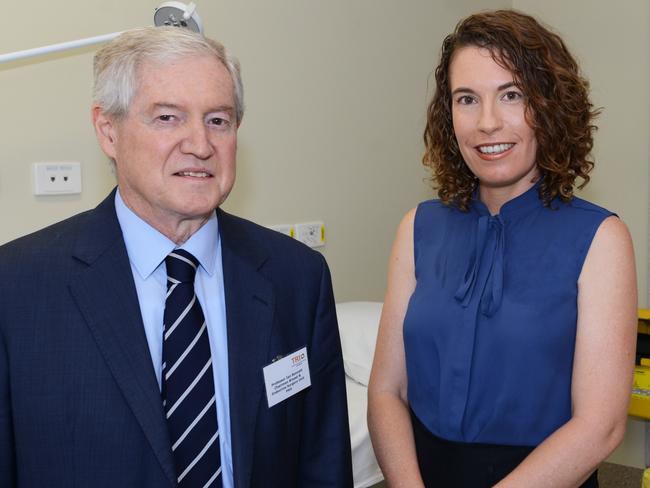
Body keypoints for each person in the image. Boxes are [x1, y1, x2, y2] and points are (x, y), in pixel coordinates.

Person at [0, 26, 352, 487]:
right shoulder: (18, 287)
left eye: (218, 120)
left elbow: (322, 463)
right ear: (108, 130)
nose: (200, 144)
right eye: (168, 117)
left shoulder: (296, 278)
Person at [368, 9, 637, 488]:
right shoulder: (417, 227)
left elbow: (601, 426)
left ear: (548, 106)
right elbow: (387, 389)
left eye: (511, 95)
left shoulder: (600, 239)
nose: (487, 122)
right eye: (467, 99)